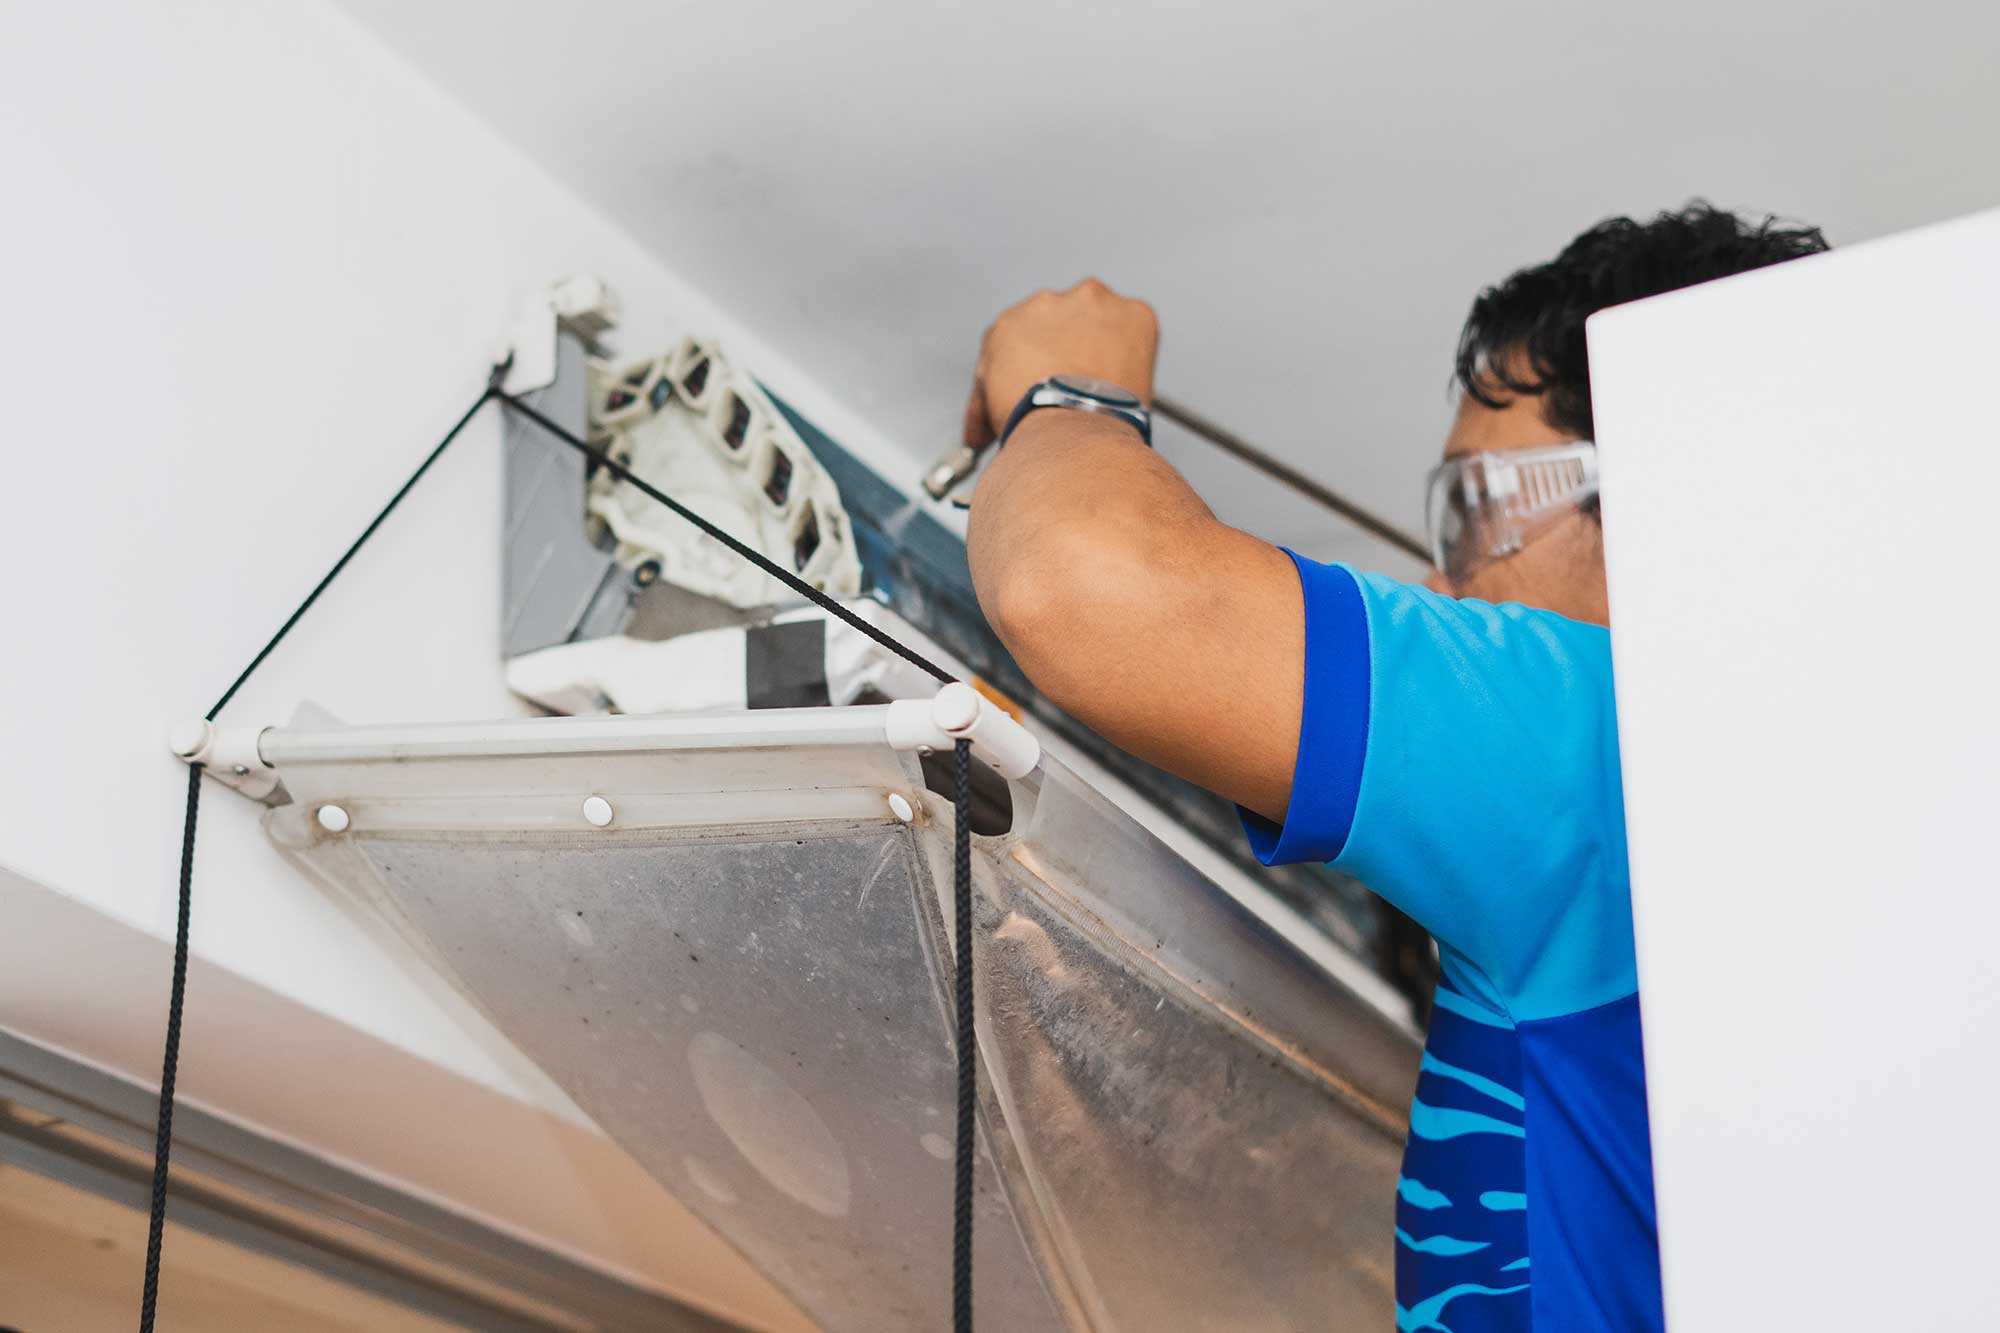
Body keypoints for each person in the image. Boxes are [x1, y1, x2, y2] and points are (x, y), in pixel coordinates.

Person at [962, 203, 1830, 1332]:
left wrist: (1070, 396)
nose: (1446, 576)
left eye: (1473, 507)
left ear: (1662, 493)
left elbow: (1083, 583)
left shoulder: (1612, 736)